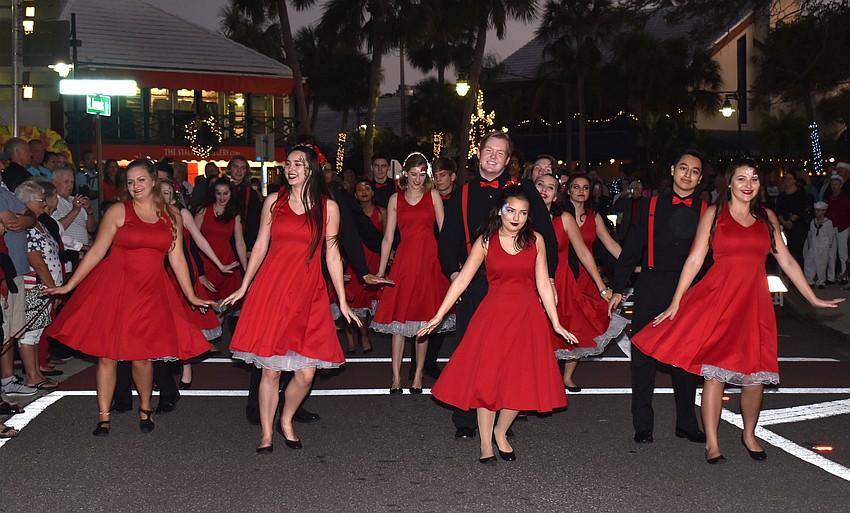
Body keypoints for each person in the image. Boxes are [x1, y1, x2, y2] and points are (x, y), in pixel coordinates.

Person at [632, 159, 843, 463]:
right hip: (718, 300)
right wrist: (677, 301)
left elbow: (786, 260)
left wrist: (813, 298)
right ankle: (712, 443)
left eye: (754, 179)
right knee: (715, 374)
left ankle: (749, 434)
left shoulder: (766, 217)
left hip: (753, 302)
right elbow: (694, 260)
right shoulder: (714, 214)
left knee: (755, 375)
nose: (748, 184)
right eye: (741, 179)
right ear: (729, 184)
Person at [44, 159, 216, 436]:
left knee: (143, 356)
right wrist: (68, 286)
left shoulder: (171, 215)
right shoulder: (118, 211)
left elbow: (178, 259)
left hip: (151, 291)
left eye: (141, 180)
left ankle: (146, 408)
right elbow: (97, 251)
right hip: (117, 288)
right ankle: (103, 415)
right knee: (108, 355)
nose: (135, 186)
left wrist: (192, 295)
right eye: (130, 182)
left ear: (154, 182)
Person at [419, 183, 573, 463]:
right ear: (500, 211)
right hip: (493, 316)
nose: (516, 217)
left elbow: (542, 282)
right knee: (487, 380)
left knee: (520, 379)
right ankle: (485, 442)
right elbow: (463, 279)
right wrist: (439, 315)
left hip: (527, 316)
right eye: (510, 210)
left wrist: (556, 322)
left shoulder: (535, 240)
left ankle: (502, 433)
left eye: (523, 213)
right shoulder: (486, 240)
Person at [222, 146, 359, 453]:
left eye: (298, 163)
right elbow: (258, 247)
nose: (291, 168)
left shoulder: (328, 208)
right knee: (270, 370)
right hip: (272, 289)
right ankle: (267, 433)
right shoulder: (274, 202)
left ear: (311, 169)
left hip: (309, 293)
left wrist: (344, 300)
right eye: (288, 163)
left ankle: (287, 418)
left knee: (306, 372)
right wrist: (244, 286)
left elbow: (333, 254)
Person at [438, 131, 558, 439]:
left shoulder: (524, 190)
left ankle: (503, 413)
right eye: (488, 151)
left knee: (511, 354)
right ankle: (465, 417)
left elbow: (545, 235)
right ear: (479, 155)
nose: (493, 156)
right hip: (476, 284)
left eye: (500, 153)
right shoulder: (462, 192)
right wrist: (454, 273)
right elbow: (448, 237)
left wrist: (550, 280)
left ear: (508, 160)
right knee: (470, 349)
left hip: (515, 287)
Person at [608, 149, 708, 445]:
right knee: (642, 358)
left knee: (685, 360)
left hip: (689, 289)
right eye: (683, 168)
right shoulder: (650, 205)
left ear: (700, 178)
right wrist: (618, 287)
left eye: (694, 171)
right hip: (651, 285)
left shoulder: (706, 210)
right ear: (673, 169)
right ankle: (643, 425)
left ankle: (687, 424)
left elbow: (713, 257)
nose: (688, 175)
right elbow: (631, 248)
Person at [371, 153, 453, 394]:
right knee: (399, 322)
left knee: (423, 319)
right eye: (413, 173)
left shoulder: (434, 195)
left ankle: (417, 376)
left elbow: (445, 233)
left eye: (421, 174)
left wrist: (451, 268)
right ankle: (396, 377)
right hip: (405, 263)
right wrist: (380, 270)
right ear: (406, 173)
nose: (418, 179)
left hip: (429, 262)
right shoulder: (396, 198)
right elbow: (387, 238)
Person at [535, 173, 620, 391]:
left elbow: (584, 253)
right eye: (540, 185)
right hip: (532, 281)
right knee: (536, 332)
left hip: (562, 281)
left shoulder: (564, 219)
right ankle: (540, 380)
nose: (545, 190)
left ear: (556, 195)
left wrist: (602, 289)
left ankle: (562, 377)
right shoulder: (522, 218)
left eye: (551, 187)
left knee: (572, 325)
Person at [15, 181, 61, 391]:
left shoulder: (39, 223)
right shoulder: (29, 227)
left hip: (43, 284)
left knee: (37, 331)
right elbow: (36, 260)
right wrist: (51, 286)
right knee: (30, 332)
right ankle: (32, 375)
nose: (45, 204)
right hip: (36, 283)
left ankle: (36, 373)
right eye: (41, 199)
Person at [339, 179, 385, 354]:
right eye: (359, 189)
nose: (364, 192)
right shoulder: (348, 212)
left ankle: (364, 336)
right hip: (353, 259)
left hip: (373, 258)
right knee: (350, 299)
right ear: (355, 194)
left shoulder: (382, 212)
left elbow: (387, 238)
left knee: (366, 300)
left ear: (373, 192)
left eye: (367, 188)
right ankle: (351, 339)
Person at [194, 181, 248, 301]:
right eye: (218, 193)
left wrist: (246, 270)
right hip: (206, 261)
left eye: (225, 193)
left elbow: (240, 242)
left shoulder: (235, 214)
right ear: (214, 194)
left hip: (228, 262)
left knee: (223, 307)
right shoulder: (203, 211)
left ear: (231, 194)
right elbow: (193, 239)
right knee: (205, 302)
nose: (222, 197)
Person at [774, 169, 813, 267]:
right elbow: (778, 211)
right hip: (785, 226)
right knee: (788, 250)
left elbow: (801, 208)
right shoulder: (781, 196)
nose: (787, 181)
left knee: (799, 250)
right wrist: (784, 222)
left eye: (790, 179)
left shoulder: (801, 194)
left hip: (799, 226)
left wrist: (792, 220)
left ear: (795, 180)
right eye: (786, 179)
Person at [226, 156, 261, 254]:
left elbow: (253, 223)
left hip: (241, 240)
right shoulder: (220, 187)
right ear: (230, 169)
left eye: (242, 168)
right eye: (235, 167)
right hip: (221, 238)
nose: (239, 171)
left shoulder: (251, 193)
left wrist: (250, 248)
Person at [824, 174, 850, 285]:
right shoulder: (829, 199)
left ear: (840, 186)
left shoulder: (845, 198)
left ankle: (845, 276)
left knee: (842, 252)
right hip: (831, 227)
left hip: (843, 227)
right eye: (833, 185)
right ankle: (831, 277)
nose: (834, 187)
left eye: (836, 184)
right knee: (831, 252)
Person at [804, 201, 836, 289]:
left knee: (821, 264)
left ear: (824, 211)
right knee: (810, 262)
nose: (817, 212)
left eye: (819, 210)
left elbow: (830, 235)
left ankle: (821, 281)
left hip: (823, 246)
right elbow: (811, 234)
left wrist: (829, 246)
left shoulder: (828, 223)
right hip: (814, 245)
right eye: (816, 210)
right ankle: (809, 280)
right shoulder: (813, 222)